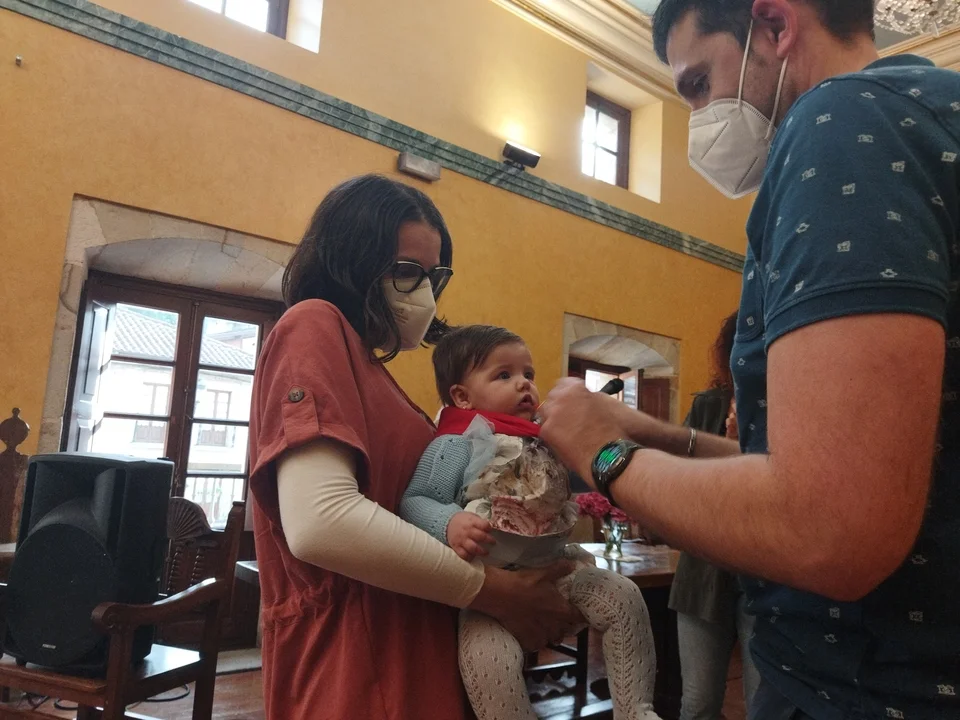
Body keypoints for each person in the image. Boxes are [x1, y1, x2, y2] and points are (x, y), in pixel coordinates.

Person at [538, 2, 960, 718]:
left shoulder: (841, 123)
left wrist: (604, 455)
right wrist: (659, 436)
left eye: (700, 83)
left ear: (775, 25)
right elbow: (847, 461)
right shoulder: (928, 110)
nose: (700, 119)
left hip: (865, 689)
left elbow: (830, 524)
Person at [246, 175, 581, 720]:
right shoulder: (313, 324)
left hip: (411, 651)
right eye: (406, 271)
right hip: (356, 666)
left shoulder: (373, 372)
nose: (423, 292)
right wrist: (495, 591)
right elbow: (322, 521)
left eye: (433, 275)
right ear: (350, 259)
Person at [399, 325, 660, 720]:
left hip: (559, 570)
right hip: (490, 588)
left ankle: (636, 710)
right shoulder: (457, 442)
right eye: (504, 375)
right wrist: (449, 522)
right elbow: (417, 499)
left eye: (528, 374)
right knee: (489, 662)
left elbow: (583, 476)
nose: (524, 384)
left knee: (624, 598)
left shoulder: (543, 440)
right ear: (462, 396)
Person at [668, 312, 759, 720]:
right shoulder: (708, 406)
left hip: (765, 574)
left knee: (763, 704)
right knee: (698, 702)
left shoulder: (789, 408)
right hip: (703, 573)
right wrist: (727, 445)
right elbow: (679, 484)